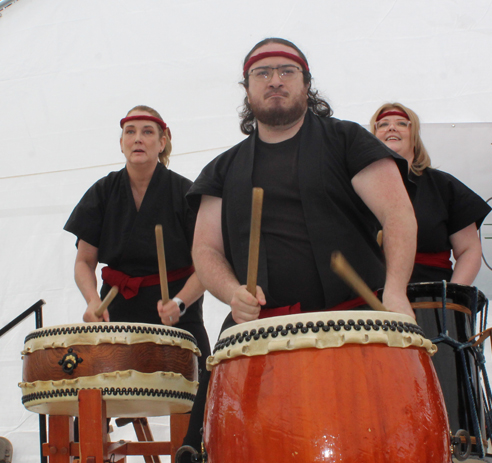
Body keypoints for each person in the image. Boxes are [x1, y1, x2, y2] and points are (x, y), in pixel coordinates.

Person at [178, 38, 417, 459]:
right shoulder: (222, 169)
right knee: (217, 446)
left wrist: (395, 289)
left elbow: (398, 216)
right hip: (257, 334)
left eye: (286, 72)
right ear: (247, 89)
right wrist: (232, 291)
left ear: (307, 85)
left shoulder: (347, 141)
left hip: (352, 324)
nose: (275, 81)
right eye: (262, 73)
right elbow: (206, 250)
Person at [370, 102, 492, 436]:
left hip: (434, 300)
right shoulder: (358, 190)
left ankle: (455, 439)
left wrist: (449, 297)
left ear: (415, 135)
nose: (392, 128)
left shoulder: (442, 185)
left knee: (441, 398)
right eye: (383, 125)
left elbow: (468, 250)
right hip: (374, 300)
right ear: (372, 135)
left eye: (401, 123)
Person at [64, 105, 210, 371]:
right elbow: (84, 262)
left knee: (199, 395)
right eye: (130, 132)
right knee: (99, 393)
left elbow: (207, 264)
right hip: (116, 311)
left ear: (162, 141)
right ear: (121, 143)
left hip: (177, 312)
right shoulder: (102, 192)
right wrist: (92, 301)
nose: (137, 138)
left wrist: (180, 302)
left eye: (147, 132)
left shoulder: (185, 192)